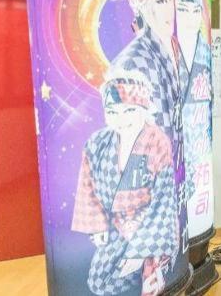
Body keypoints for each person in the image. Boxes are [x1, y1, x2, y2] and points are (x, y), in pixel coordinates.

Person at [110, 0, 187, 256]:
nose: (165, 10)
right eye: (154, 1)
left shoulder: (174, 48)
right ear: (138, 6)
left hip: (176, 183)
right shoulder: (131, 63)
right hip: (150, 194)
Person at [71, 71, 178, 296]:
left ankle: (146, 265)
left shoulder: (156, 142)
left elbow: (164, 201)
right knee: (99, 280)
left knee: (151, 280)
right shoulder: (97, 143)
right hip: (117, 224)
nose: (120, 119)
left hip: (149, 223)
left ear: (144, 110)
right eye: (112, 112)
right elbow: (87, 186)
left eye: (129, 110)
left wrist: (139, 252)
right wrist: (98, 225)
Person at [174, 0, 213, 215]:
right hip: (173, 152)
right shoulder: (161, 51)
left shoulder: (205, 53)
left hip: (200, 149)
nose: (189, 18)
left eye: (194, 9)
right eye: (181, 9)